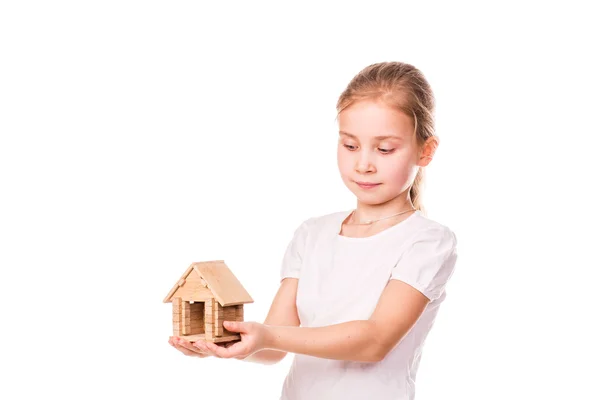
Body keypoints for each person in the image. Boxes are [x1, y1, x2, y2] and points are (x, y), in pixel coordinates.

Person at [168, 61, 459, 400]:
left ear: (426, 150)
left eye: (384, 149)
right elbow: (274, 346)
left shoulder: (427, 241)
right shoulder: (312, 234)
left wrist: (267, 336)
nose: (363, 163)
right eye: (350, 145)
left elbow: (374, 341)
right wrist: (227, 342)